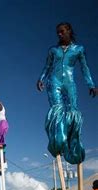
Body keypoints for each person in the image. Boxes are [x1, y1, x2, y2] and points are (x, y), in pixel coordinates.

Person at [37, 22, 96, 165]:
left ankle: (73, 148)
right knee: (57, 112)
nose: (59, 34)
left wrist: (91, 84)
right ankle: (59, 142)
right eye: (58, 32)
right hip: (54, 82)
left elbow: (85, 68)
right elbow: (47, 66)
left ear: (69, 31)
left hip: (69, 83)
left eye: (62, 31)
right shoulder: (53, 50)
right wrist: (41, 78)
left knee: (72, 113)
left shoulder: (78, 49)